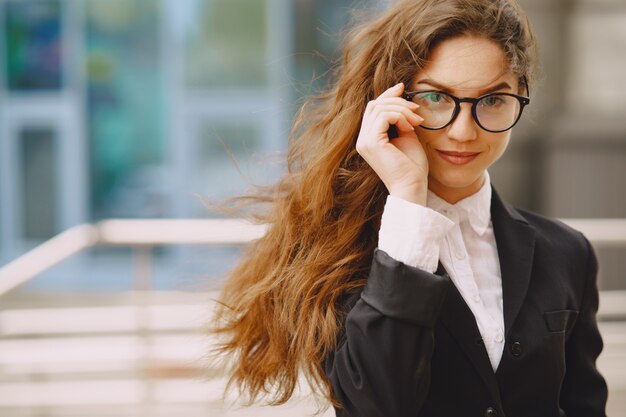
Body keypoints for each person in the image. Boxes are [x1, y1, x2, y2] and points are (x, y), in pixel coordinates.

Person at [213, 0, 608, 416]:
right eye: (437, 97)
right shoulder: (344, 252)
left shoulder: (567, 252)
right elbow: (377, 405)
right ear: (392, 101)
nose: (463, 131)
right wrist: (406, 194)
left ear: (521, 99)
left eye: (493, 100)